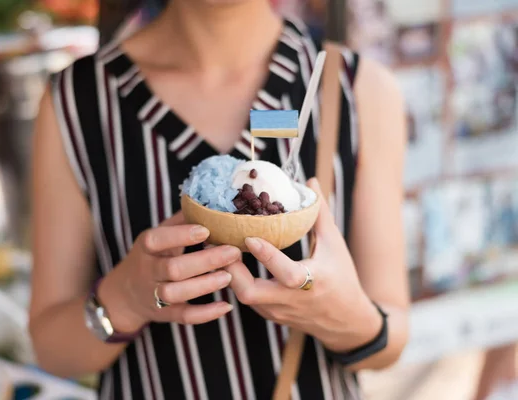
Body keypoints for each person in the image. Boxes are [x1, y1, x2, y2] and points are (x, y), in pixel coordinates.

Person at [28, 0, 410, 399]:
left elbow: (392, 338)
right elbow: (52, 350)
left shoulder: (355, 90)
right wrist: (125, 297)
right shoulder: (77, 104)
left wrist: (348, 317)